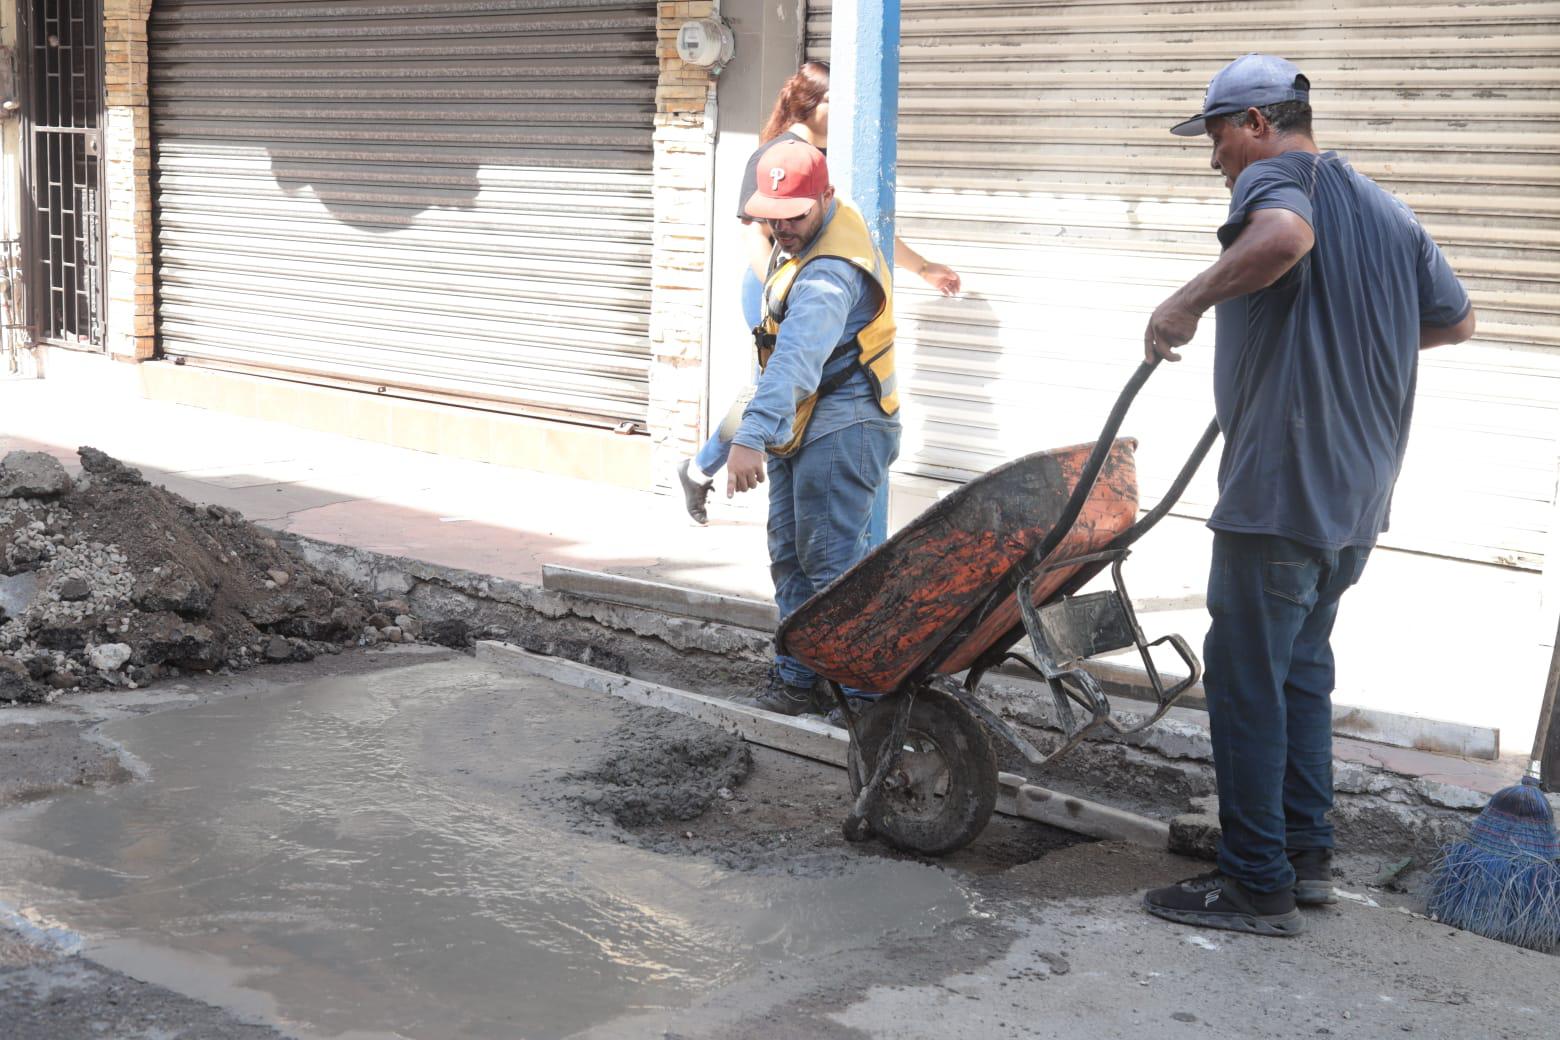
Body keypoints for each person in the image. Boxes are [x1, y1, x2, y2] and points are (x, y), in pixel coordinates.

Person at [1138, 54, 1476, 937]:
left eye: (1215, 138)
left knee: (1249, 684)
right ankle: (1305, 855)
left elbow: (1284, 240)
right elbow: (1455, 318)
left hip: (1282, 489)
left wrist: (1186, 303)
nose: (1214, 160)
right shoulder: (1387, 208)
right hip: (1356, 494)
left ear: (1256, 122)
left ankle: (1256, 884)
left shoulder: (1281, 177)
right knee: (1300, 676)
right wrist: (1345, 342)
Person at [676, 61, 960, 529]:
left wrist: (922, 267)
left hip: (802, 284)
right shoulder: (780, 155)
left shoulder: (823, 154)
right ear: (811, 103)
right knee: (771, 382)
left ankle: (705, 466)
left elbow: (860, 231)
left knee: (779, 383)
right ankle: (703, 467)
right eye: (835, 101)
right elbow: (754, 235)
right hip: (776, 284)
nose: (845, 110)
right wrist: (781, 294)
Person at [724, 139, 900, 715]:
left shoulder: (828, 275)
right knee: (792, 557)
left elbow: (798, 359)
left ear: (824, 198)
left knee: (829, 563)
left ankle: (867, 699)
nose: (782, 230)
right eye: (771, 219)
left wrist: (750, 437)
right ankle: (799, 676)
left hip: (844, 421)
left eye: (794, 216)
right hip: (807, 419)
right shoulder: (807, 236)